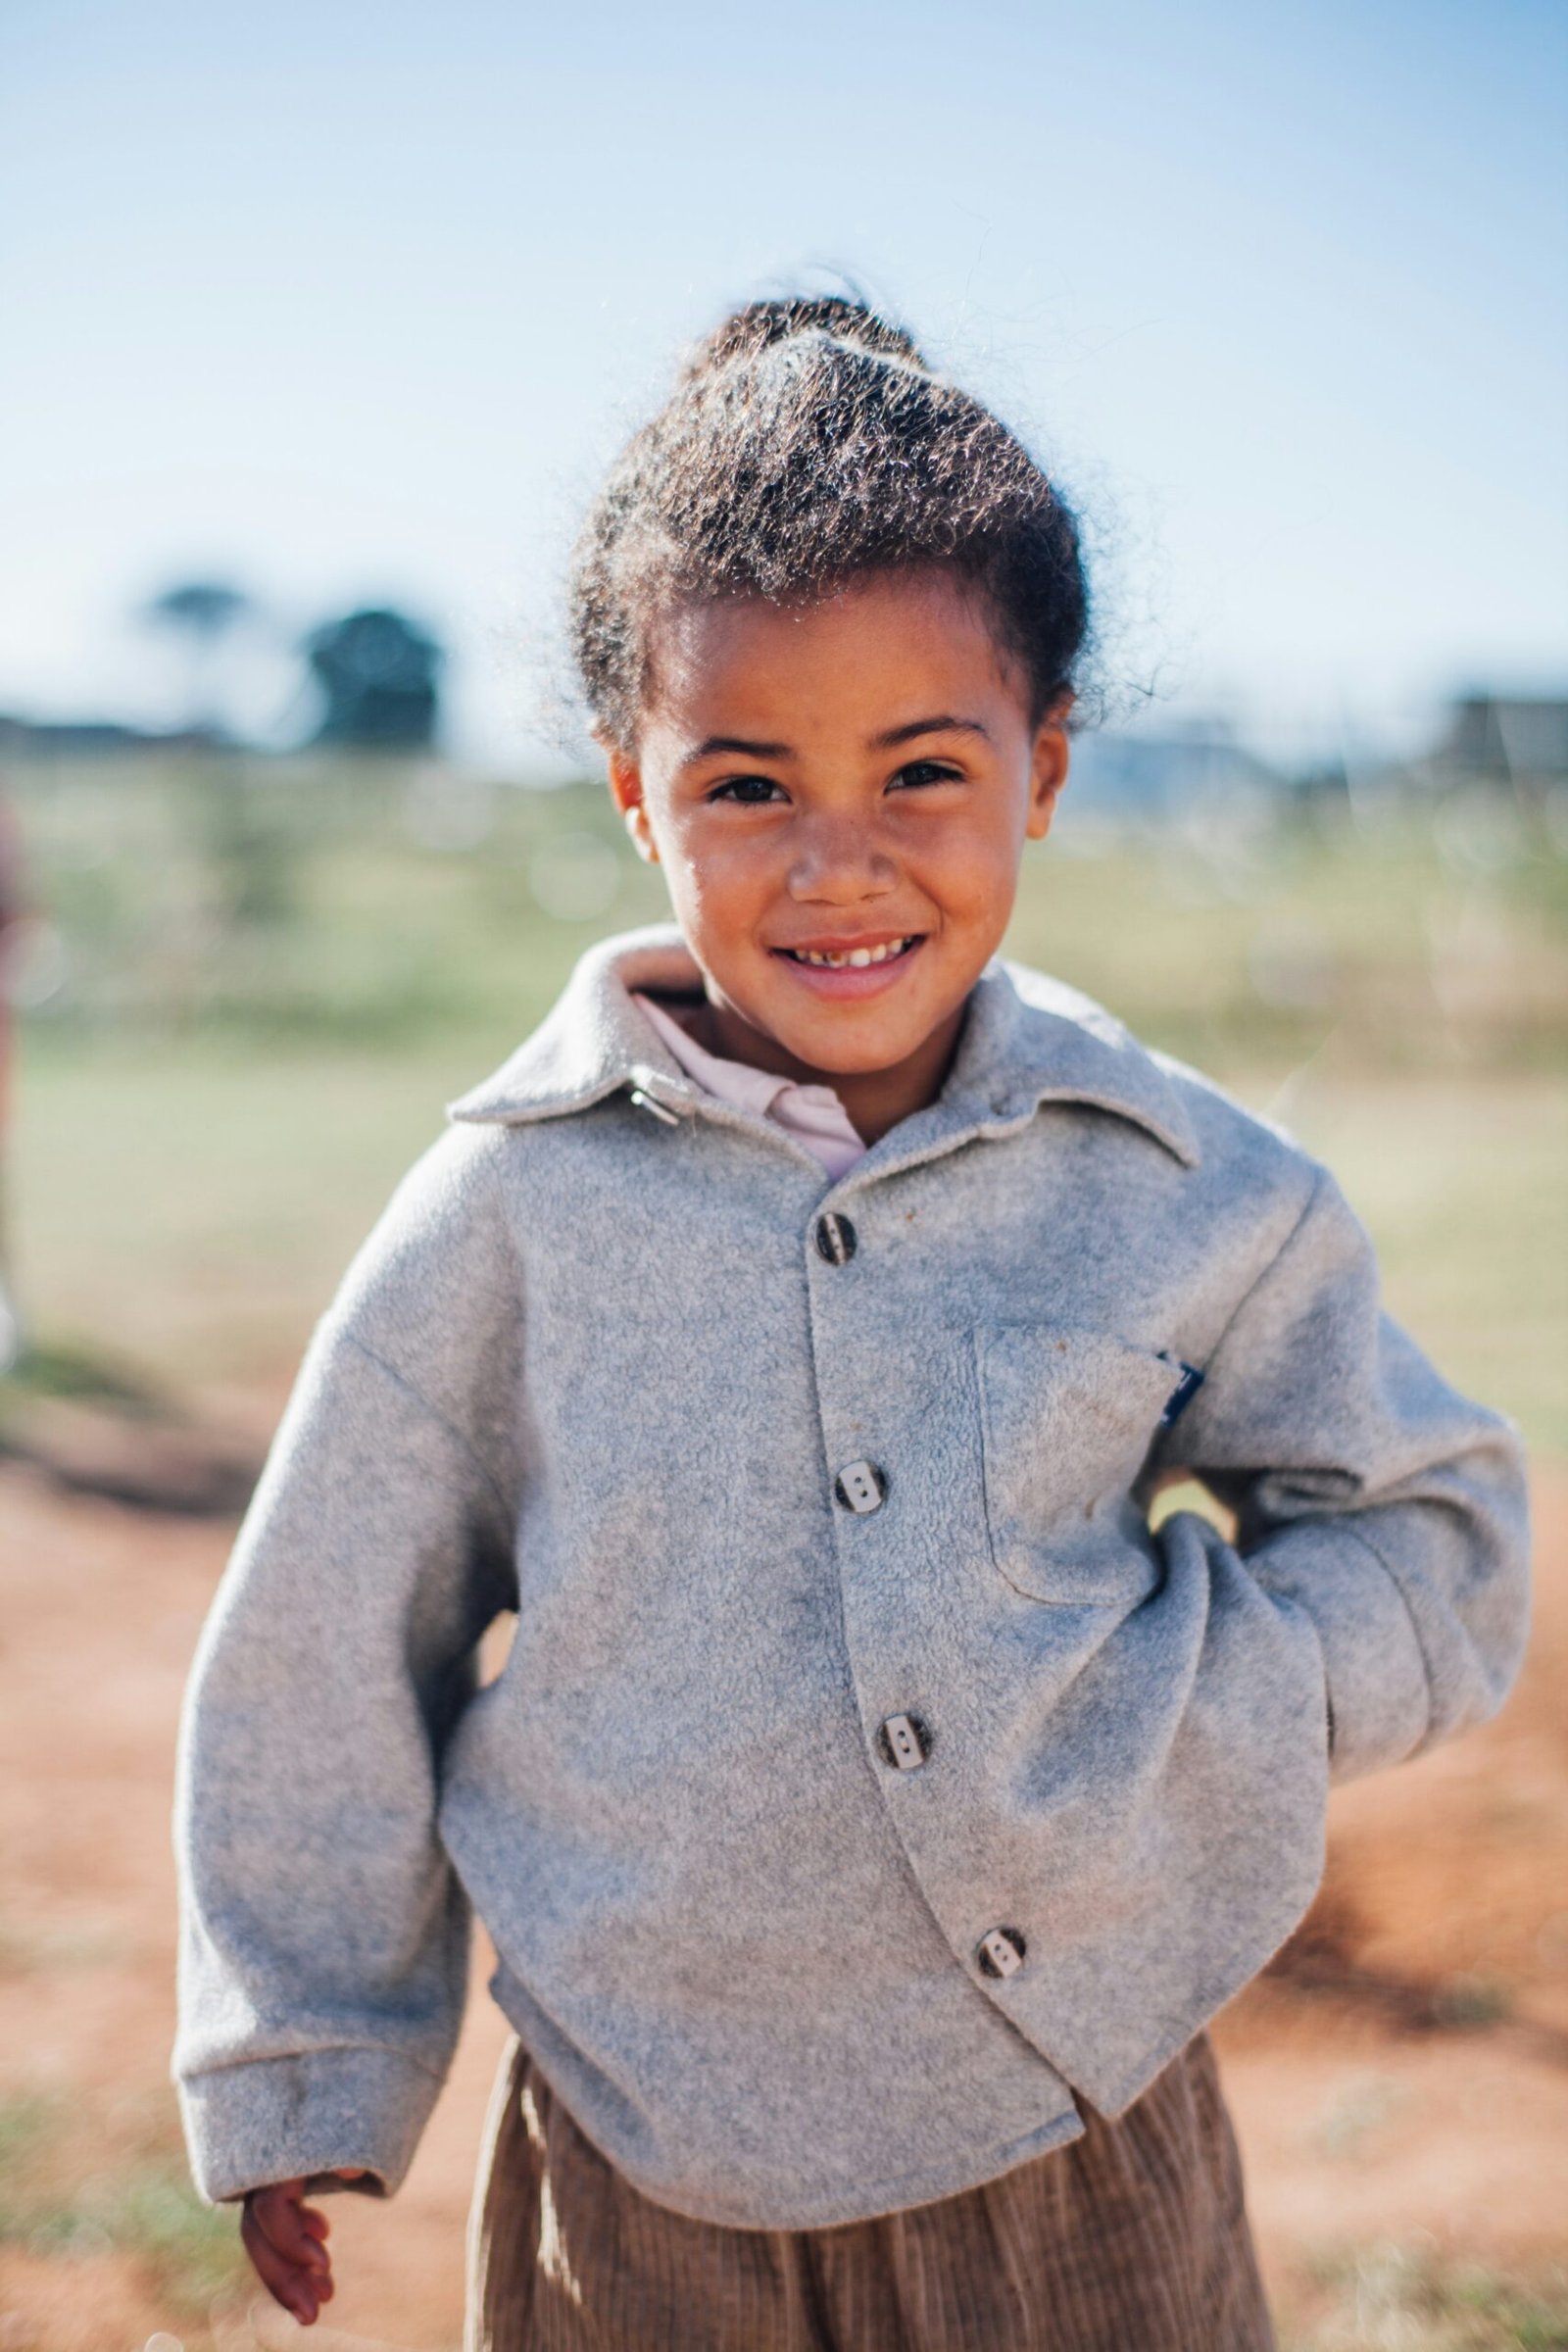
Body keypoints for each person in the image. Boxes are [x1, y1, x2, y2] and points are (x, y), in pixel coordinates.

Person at [172, 296, 1531, 2352]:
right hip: (638, 2185)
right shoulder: (507, 1214)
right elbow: (327, 1638)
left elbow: (1433, 1528)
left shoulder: (1175, 1185)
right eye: (743, 785)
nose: (838, 863)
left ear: (1043, 769)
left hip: (1084, 2140)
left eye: (920, 768)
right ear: (636, 791)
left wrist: (1221, 1698)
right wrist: (300, 2055)